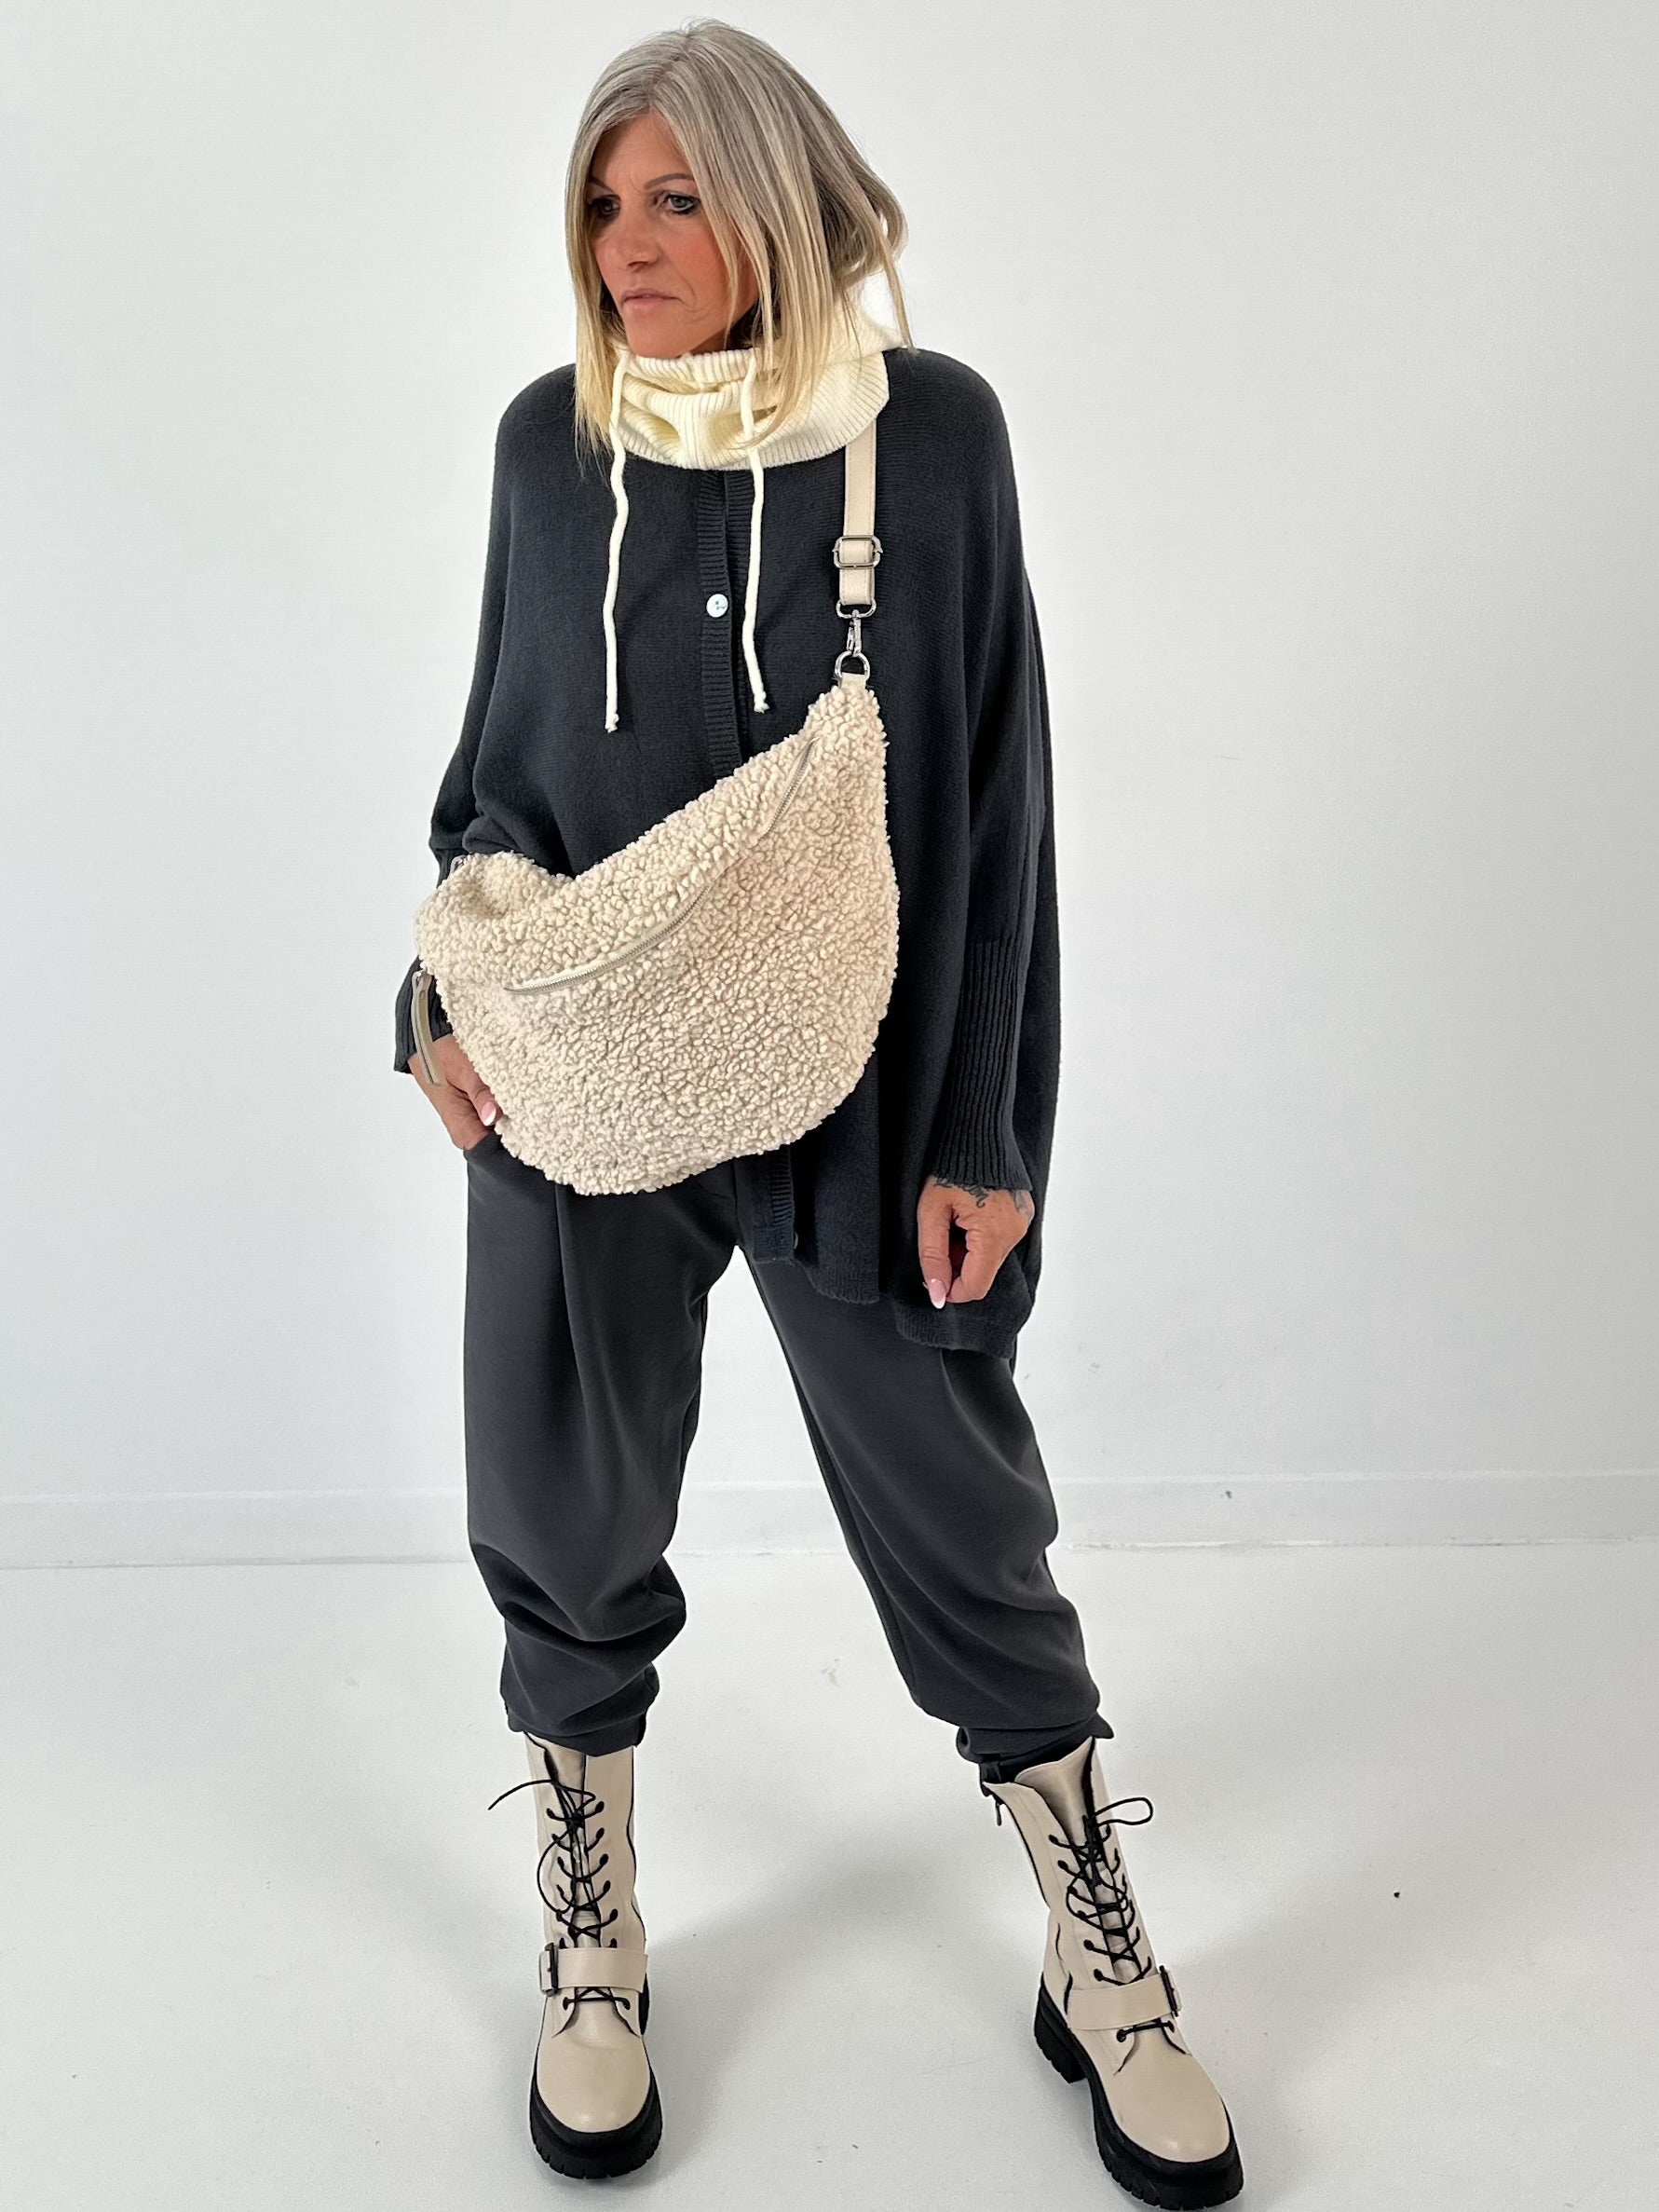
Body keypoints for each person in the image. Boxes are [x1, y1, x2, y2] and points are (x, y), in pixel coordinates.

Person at [392, 21, 1243, 2205]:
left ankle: (1095, 1940)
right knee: (561, 1491)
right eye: (605, 202)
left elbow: (994, 790)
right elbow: (494, 779)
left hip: (864, 1078)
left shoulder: (932, 436)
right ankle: (596, 1927)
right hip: (588, 1067)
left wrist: (987, 1129)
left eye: (680, 197)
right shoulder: (544, 445)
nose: (630, 242)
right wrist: (433, 996)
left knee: (964, 1514)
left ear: (778, 204)